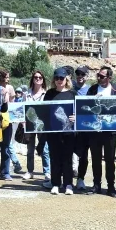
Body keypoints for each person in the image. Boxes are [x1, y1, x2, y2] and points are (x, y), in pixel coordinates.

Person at [85, 66, 116, 196]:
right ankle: (96, 185)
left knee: (110, 160)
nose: (99, 78)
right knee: (95, 159)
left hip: (110, 131)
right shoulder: (92, 89)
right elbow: (85, 107)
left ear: (109, 78)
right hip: (95, 130)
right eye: (98, 76)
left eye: (102, 76)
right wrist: (92, 99)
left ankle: (111, 187)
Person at [45, 67, 77, 195]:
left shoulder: (72, 94)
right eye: (57, 78)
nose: (59, 80)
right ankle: (55, 184)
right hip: (53, 132)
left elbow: (79, 111)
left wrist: (76, 117)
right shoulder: (49, 94)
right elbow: (44, 111)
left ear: (66, 79)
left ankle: (68, 184)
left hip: (68, 132)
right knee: (55, 157)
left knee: (67, 158)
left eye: (61, 78)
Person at [23, 70, 51, 183]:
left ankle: (47, 172)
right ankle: (30, 171)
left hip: (42, 126)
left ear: (43, 79)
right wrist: (22, 121)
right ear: (32, 79)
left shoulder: (47, 94)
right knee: (30, 150)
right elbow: (22, 109)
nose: (38, 79)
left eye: (40, 77)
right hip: (29, 125)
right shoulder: (27, 94)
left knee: (44, 149)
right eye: (35, 77)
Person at [0, 69, 23, 180]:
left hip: (7, 121)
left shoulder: (10, 88)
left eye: (8, 76)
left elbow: (12, 104)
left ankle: (5, 172)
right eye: (6, 76)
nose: (8, 78)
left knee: (6, 146)